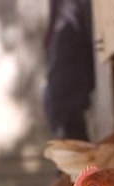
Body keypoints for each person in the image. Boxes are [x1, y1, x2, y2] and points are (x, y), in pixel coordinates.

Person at [43, 0, 95, 141]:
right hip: (63, 106)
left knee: (83, 155)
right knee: (83, 156)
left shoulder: (65, 20)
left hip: (62, 104)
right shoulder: (65, 20)